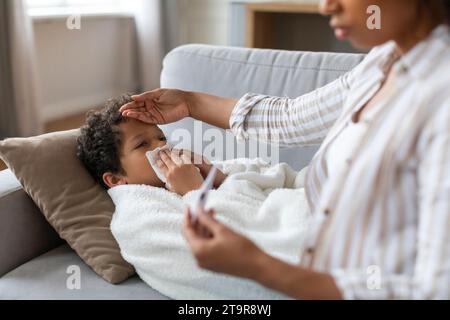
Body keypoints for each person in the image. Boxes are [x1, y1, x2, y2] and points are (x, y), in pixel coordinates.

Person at [120, 0, 450, 299]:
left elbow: (433, 291)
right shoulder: (383, 62)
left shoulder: (440, 99)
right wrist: (190, 102)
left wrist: (259, 266)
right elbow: (289, 118)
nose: (325, 6)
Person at [77, 94, 227, 195]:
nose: (161, 145)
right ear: (116, 180)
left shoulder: (200, 173)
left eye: (162, 137)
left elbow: (247, 187)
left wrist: (217, 176)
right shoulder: (140, 212)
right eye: (142, 144)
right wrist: (194, 191)